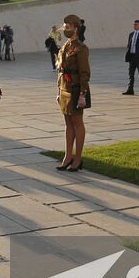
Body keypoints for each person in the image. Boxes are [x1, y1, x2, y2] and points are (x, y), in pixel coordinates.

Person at [55, 14, 91, 171]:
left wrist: (83, 93)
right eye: (64, 26)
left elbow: (84, 72)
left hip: (76, 89)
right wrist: (59, 90)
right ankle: (68, 156)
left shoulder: (81, 48)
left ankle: (78, 158)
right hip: (65, 89)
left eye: (68, 26)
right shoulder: (65, 46)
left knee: (77, 122)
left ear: (76, 28)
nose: (65, 29)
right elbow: (60, 70)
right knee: (68, 123)